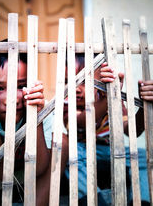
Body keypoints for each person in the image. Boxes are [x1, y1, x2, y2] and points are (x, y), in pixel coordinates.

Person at [63, 53, 153, 205]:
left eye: (85, 82)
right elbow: (83, 120)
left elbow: (131, 131)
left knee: (142, 155)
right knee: (71, 152)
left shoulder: (113, 100)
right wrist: (106, 98)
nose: (77, 89)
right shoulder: (67, 102)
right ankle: (94, 200)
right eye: (70, 82)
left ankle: (141, 200)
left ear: (100, 80)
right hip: (82, 154)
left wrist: (144, 106)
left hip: (110, 151)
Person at [0, 49, 52, 204]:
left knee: (62, 143)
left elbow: (39, 168)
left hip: (33, 176)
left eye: (21, 86)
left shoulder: (42, 107)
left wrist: (36, 117)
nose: (11, 99)